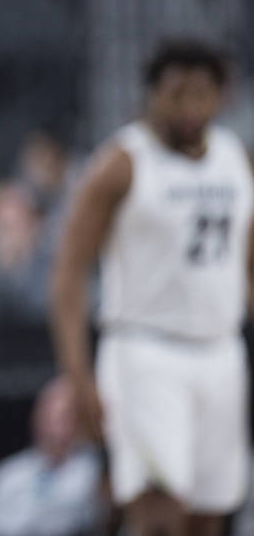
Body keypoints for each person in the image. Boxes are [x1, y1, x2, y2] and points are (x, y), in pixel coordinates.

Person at [51, 39, 253, 536]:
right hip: (145, 353)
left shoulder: (234, 158)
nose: (189, 107)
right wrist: (77, 375)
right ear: (152, 95)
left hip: (222, 351)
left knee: (210, 517)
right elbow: (70, 272)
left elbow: (246, 261)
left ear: (221, 97)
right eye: (176, 93)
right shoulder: (121, 163)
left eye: (202, 94)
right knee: (160, 514)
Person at [0, 376, 105, 536]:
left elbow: (81, 517)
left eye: (66, 416)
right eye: (50, 415)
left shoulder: (94, 470)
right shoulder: (8, 474)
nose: (56, 427)